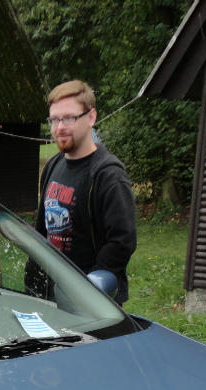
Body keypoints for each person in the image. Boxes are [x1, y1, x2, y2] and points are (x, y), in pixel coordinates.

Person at [33, 80, 136, 305]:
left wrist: (88, 291)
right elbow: (41, 230)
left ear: (91, 117)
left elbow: (122, 241)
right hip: (50, 297)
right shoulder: (52, 166)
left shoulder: (108, 175)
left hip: (92, 304)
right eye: (54, 119)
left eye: (69, 118)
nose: (60, 127)